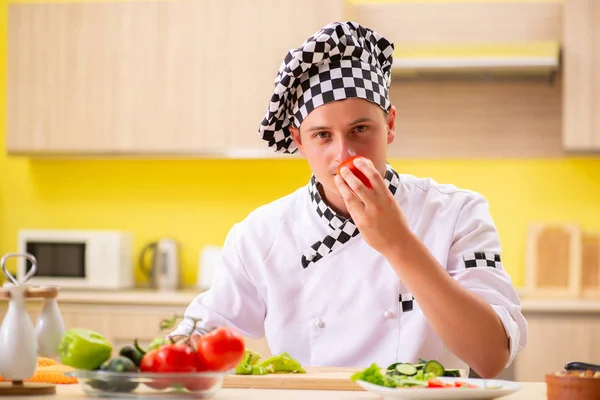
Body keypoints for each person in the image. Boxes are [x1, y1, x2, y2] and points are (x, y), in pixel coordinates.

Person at [169, 21, 527, 378]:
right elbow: (201, 335)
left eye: (360, 129)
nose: (345, 154)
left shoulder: (456, 213)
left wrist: (397, 243)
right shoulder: (261, 233)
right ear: (298, 140)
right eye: (323, 135)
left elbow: (491, 355)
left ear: (389, 125)